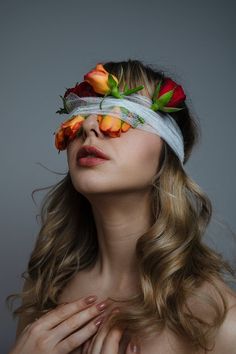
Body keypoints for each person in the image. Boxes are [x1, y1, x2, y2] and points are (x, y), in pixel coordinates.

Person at [6, 59, 236, 354]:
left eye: (126, 114)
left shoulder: (219, 322)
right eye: (82, 113)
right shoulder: (44, 290)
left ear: (167, 154)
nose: (90, 126)